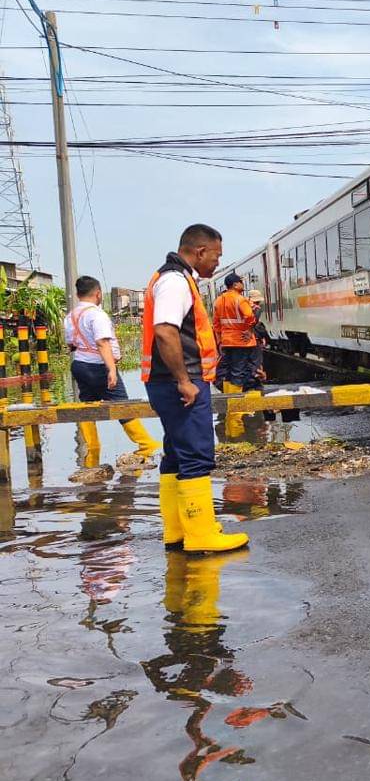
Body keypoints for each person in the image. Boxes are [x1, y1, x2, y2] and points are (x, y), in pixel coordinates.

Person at [143, 224, 248, 554]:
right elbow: (165, 332)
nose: (218, 262)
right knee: (196, 455)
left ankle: (177, 531)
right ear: (200, 251)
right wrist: (185, 381)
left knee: (176, 453)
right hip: (179, 383)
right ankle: (202, 534)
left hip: (166, 382)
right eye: (217, 255)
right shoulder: (175, 281)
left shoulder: (174, 278)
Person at [66, 275, 161, 459]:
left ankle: (92, 449)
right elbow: (102, 343)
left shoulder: (71, 316)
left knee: (87, 404)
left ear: (78, 294)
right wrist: (111, 369)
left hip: (79, 365)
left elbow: (71, 345)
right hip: (98, 366)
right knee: (121, 404)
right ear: (98, 294)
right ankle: (146, 444)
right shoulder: (96, 314)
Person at [212, 272, 257, 395]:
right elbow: (249, 316)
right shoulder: (240, 299)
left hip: (226, 341)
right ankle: (236, 409)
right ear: (235, 284)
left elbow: (216, 324)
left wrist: (219, 341)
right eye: (241, 282)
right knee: (239, 372)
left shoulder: (219, 301)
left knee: (228, 373)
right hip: (241, 341)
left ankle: (229, 401)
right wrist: (249, 330)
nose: (243, 284)